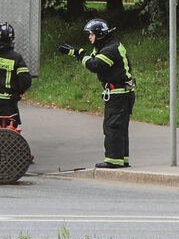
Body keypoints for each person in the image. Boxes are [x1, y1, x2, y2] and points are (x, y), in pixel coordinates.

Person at [58, 18, 136, 168]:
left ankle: (113, 160)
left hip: (118, 93)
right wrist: (75, 52)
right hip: (120, 92)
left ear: (99, 34)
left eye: (91, 34)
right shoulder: (107, 45)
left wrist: (80, 54)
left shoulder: (110, 49)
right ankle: (122, 158)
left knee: (113, 127)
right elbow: (94, 58)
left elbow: (95, 65)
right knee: (119, 128)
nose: (89, 37)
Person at [0, 23, 33, 129]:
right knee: (10, 132)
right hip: (9, 103)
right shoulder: (16, 58)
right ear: (12, 39)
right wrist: (18, 92)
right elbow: (25, 81)